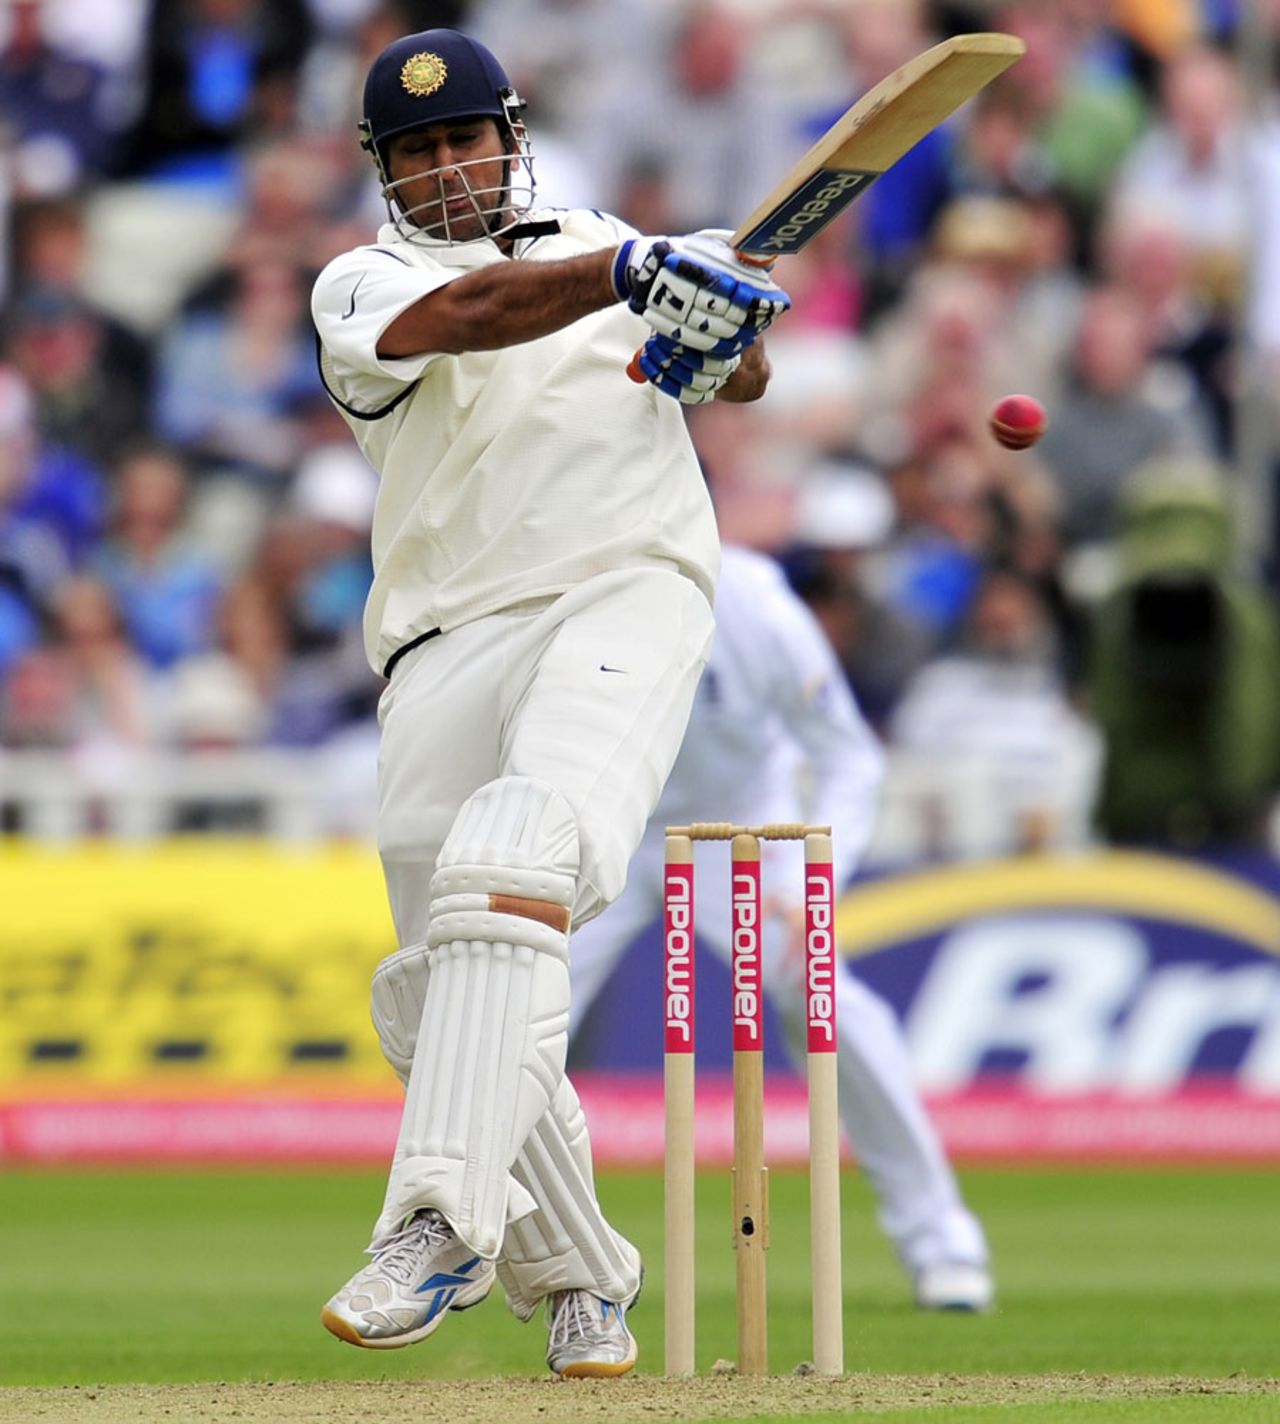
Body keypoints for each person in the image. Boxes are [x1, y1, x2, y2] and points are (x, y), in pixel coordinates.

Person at [309, 27, 790, 1377]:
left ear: (508, 136)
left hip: (626, 588)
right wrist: (639, 274)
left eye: (464, 138)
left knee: (516, 859)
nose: (448, 167)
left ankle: (435, 1220)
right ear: (384, 171)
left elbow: (737, 374)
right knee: (436, 982)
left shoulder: (604, 234)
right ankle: (582, 1275)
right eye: (417, 151)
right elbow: (469, 318)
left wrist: (720, 333)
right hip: (444, 635)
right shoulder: (364, 283)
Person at [569, 545, 995, 1311]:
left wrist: (807, 883)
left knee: (820, 993)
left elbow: (850, 759)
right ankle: (471, 1243)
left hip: (736, 836)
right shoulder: (562, 578)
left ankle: (942, 1240)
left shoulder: (760, 609)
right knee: (510, 1010)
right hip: (594, 826)